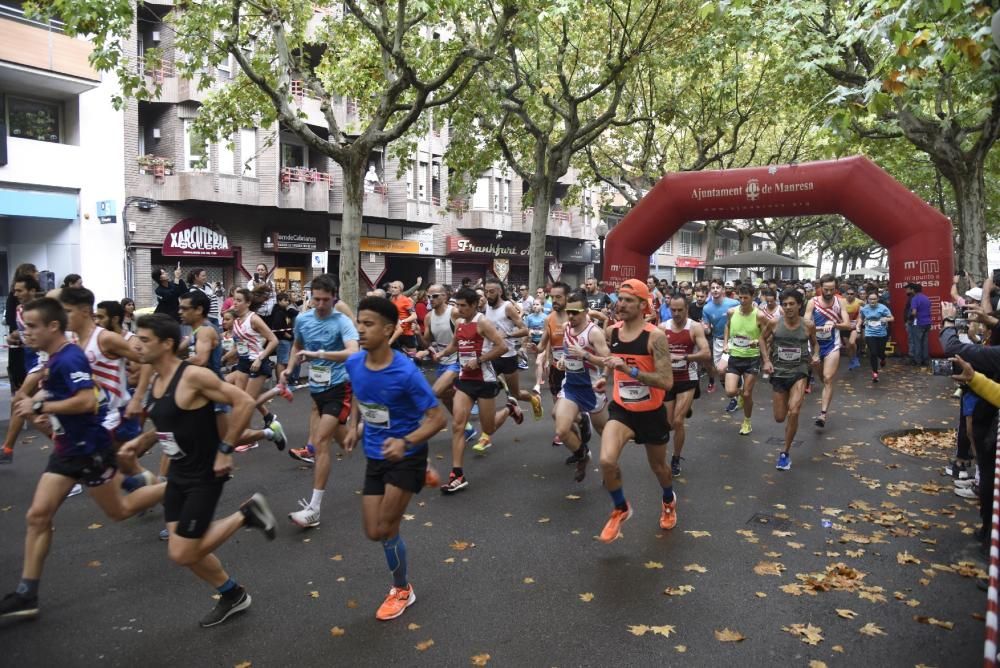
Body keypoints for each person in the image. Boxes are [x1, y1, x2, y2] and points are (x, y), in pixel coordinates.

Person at [0, 298, 167, 622]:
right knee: (38, 516)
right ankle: (26, 593)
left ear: (52, 326)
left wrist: (39, 407)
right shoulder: (56, 356)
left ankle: (179, 484)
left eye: (32, 326)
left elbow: (84, 402)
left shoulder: (71, 357)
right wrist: (36, 397)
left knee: (119, 510)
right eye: (24, 325)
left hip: (90, 447)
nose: (26, 332)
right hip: (66, 450)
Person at [128, 314, 278, 627]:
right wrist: (146, 439)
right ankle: (232, 594)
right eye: (136, 339)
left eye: (144, 340)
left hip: (205, 474)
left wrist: (225, 450)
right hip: (178, 475)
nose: (137, 346)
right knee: (182, 546)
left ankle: (247, 514)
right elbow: (174, 423)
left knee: (182, 553)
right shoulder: (156, 379)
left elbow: (244, 403)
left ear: (167, 344)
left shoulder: (193, 376)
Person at [343, 297, 446, 620]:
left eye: (368, 324)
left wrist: (406, 442)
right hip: (375, 454)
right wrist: (353, 424)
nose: (360, 328)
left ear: (389, 329)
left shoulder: (405, 372)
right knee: (372, 531)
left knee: (388, 528)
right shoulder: (355, 364)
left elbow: (436, 419)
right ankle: (422, 472)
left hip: (407, 454)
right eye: (359, 322)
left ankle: (402, 590)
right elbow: (360, 394)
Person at [597, 279, 676, 543]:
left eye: (628, 300)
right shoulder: (612, 332)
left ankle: (668, 500)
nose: (621, 304)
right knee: (607, 461)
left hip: (651, 413)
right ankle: (620, 508)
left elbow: (666, 382)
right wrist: (605, 373)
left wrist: (629, 370)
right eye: (620, 299)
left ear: (644, 305)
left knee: (659, 468)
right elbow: (613, 360)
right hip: (622, 410)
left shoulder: (656, 337)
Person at [281, 274, 359, 527]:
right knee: (346, 439)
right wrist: (290, 368)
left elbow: (352, 353)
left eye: (326, 299)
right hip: (317, 388)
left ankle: (314, 509)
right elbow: (296, 346)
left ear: (335, 297)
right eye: (316, 299)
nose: (321, 304)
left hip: (339, 386)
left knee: (321, 441)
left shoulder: (342, 321)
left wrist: (319, 354)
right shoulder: (303, 319)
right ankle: (371, 437)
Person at [430, 287, 518, 492]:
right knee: (458, 425)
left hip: (485, 380)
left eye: (463, 306)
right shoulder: (460, 323)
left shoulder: (483, 322)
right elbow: (455, 346)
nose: (459, 310)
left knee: (488, 429)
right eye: (457, 305)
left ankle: (509, 409)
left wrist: (479, 360)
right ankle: (457, 474)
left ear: (473, 305)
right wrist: (441, 354)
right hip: (465, 380)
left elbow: (502, 347)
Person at [553, 291, 611, 482]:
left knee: (604, 432)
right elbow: (568, 352)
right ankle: (582, 455)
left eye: (575, 312)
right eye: (569, 311)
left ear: (586, 311)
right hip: (571, 386)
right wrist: (563, 359)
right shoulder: (566, 327)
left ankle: (611, 468)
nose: (571, 316)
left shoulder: (594, 333)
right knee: (561, 429)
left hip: (592, 389)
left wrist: (586, 356)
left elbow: (608, 361)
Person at [760, 290, 820, 471]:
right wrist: (767, 360)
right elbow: (762, 340)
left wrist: (816, 354)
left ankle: (785, 453)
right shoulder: (774, 323)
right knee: (780, 417)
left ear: (799, 305)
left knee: (794, 411)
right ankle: (787, 429)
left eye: (791, 304)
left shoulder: (808, 325)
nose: (788, 307)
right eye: (785, 304)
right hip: (779, 373)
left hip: (799, 371)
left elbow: (815, 343)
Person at [415, 284, 478, 448]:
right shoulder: (429, 317)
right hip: (442, 361)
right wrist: (417, 335)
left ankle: (470, 397)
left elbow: (468, 333)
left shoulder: (455, 312)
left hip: (457, 359)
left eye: (435, 296)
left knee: (435, 391)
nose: (431, 299)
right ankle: (468, 428)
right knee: (446, 397)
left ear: (444, 296)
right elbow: (426, 342)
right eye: (429, 297)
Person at [661, 295, 711, 476]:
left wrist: (686, 357)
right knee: (668, 424)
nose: (676, 313)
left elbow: (706, 353)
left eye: (680, 310)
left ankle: (675, 458)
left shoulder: (694, 327)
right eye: (673, 310)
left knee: (677, 421)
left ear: (687, 310)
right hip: (668, 380)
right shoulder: (662, 328)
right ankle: (685, 408)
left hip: (687, 379)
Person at [483, 277, 543, 419]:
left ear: (499, 291)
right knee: (485, 390)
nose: (487, 295)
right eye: (486, 292)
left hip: (508, 356)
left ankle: (534, 400)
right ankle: (487, 432)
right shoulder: (487, 307)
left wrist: (507, 335)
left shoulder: (508, 307)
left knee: (517, 393)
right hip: (492, 355)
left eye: (491, 292)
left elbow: (524, 330)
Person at [229, 287, 279, 448]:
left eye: (239, 300)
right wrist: (225, 357)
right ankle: (268, 418)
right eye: (234, 299)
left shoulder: (254, 319)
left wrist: (260, 357)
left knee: (246, 402)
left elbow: (273, 340)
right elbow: (241, 344)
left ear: (248, 303)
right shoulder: (235, 321)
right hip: (243, 363)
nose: (235, 303)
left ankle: (249, 439)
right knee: (241, 399)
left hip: (257, 364)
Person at [1, 273, 40, 464]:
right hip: (29, 361)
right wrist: (14, 336)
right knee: (26, 406)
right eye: (14, 290)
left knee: (21, 402)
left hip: (44, 361)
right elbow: (24, 332)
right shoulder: (19, 308)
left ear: (32, 290)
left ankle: (7, 449)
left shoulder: (44, 308)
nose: (16, 294)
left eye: (19, 290)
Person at [804, 275, 851, 428]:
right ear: (820, 288)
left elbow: (847, 324)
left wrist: (835, 324)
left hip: (832, 345)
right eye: (826, 289)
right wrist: (816, 328)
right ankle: (823, 386)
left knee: (828, 378)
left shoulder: (840, 302)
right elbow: (805, 324)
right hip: (815, 345)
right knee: (822, 378)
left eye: (832, 289)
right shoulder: (813, 302)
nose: (829, 292)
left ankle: (823, 414)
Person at [723, 285, 768, 436]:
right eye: (740, 297)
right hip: (735, 356)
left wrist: (757, 341)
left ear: (752, 297)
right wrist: (725, 343)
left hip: (752, 358)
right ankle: (741, 396)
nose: (742, 301)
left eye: (745, 298)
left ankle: (747, 422)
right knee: (730, 392)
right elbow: (727, 326)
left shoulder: (759, 315)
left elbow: (768, 334)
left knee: (748, 394)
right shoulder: (731, 312)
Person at [701, 280, 739, 398]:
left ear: (722, 289)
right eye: (713, 288)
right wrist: (704, 328)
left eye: (718, 287)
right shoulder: (707, 308)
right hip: (718, 340)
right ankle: (735, 394)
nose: (715, 290)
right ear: (710, 291)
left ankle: (735, 395)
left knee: (726, 369)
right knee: (720, 371)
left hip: (734, 340)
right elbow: (707, 329)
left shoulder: (734, 303)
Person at [858, 290, 893, 383]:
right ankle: (875, 373)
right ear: (868, 299)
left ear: (877, 299)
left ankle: (883, 358)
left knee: (880, 352)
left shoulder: (883, 308)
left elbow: (892, 318)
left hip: (882, 333)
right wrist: (858, 326)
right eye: (870, 299)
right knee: (873, 352)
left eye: (874, 299)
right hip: (870, 333)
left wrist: (886, 319)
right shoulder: (864, 309)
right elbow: (860, 319)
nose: (872, 301)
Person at [387, 280, 418, 355]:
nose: (392, 289)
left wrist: (403, 321)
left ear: (400, 289)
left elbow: (414, 315)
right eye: (391, 287)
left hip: (407, 333)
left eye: (395, 287)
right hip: (395, 332)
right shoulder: (392, 300)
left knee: (413, 357)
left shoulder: (406, 300)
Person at [908, 283, 932, 366]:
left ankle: (918, 360)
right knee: (925, 342)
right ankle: (925, 360)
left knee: (917, 342)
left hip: (919, 322)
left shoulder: (915, 299)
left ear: (913, 290)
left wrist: (910, 319)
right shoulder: (926, 298)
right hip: (927, 322)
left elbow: (914, 312)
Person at [842, 286, 862, 370]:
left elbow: (861, 315)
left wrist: (858, 324)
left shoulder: (860, 302)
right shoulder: (841, 302)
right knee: (847, 346)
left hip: (854, 326)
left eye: (852, 294)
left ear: (855, 295)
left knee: (852, 342)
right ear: (845, 295)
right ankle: (852, 361)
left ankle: (855, 357)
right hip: (844, 326)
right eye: (848, 294)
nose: (850, 295)